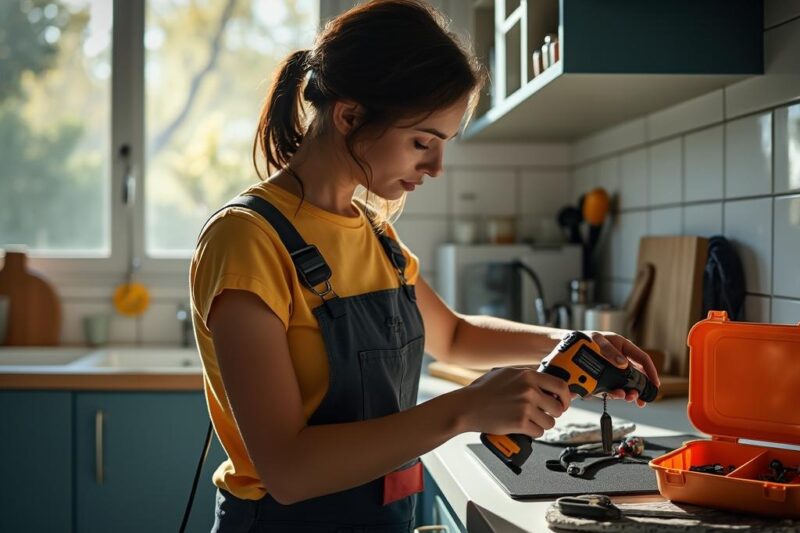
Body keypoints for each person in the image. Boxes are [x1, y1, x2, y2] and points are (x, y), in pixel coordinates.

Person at [190, 1, 661, 531]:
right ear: (348, 116)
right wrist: (464, 409)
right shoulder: (246, 240)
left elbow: (454, 335)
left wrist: (574, 342)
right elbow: (289, 470)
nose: (436, 167)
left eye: (442, 146)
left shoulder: (376, 234)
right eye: (422, 142)